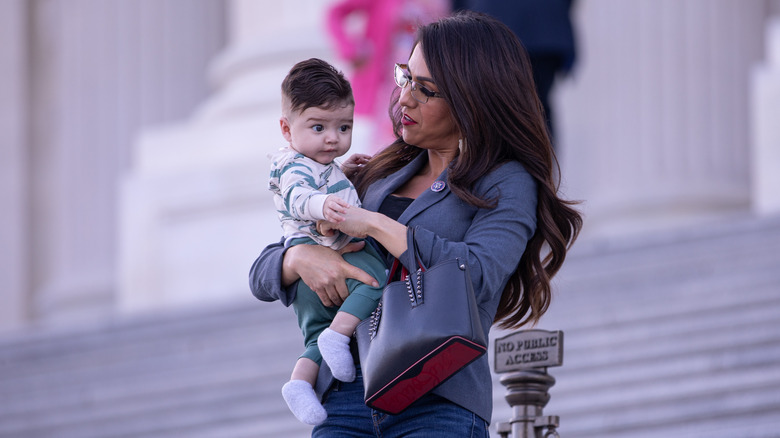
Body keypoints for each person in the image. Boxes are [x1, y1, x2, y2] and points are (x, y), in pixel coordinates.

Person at [250, 11, 582, 437]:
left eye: (425, 90)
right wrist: (299, 259)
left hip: (438, 399)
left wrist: (371, 224)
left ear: (472, 99)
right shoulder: (377, 173)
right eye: (405, 77)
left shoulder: (506, 181)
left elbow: (477, 275)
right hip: (345, 397)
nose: (404, 98)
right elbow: (261, 272)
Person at [268, 58, 388, 426]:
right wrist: (327, 207)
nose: (332, 138)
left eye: (343, 127)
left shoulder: (321, 164)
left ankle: (300, 383)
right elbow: (297, 198)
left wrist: (345, 174)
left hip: (311, 280)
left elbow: (322, 181)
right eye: (318, 127)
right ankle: (340, 335)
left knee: (314, 339)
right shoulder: (293, 166)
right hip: (323, 259)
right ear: (287, 130)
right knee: (375, 278)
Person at [452, 0, 577, 141]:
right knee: (537, 108)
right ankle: (538, 160)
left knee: (496, 107)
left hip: (496, 27)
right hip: (544, 31)